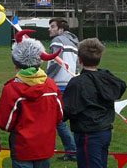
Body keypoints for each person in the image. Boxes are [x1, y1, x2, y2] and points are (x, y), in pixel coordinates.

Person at [0, 30, 63, 168]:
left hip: (22, 147)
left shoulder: (11, 89)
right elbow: (59, 115)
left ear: (16, 65)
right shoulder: (51, 85)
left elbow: (5, 123)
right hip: (45, 146)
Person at [63, 38, 127, 168]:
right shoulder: (104, 78)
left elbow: (68, 110)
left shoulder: (79, 83)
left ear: (79, 60)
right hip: (104, 131)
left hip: (89, 133)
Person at [47, 18, 80, 161]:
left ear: (61, 30)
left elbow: (55, 61)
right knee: (60, 119)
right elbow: (77, 65)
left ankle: (70, 150)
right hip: (70, 84)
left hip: (57, 84)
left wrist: (45, 78)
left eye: (52, 26)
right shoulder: (74, 43)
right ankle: (64, 149)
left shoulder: (57, 41)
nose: (49, 29)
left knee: (56, 119)